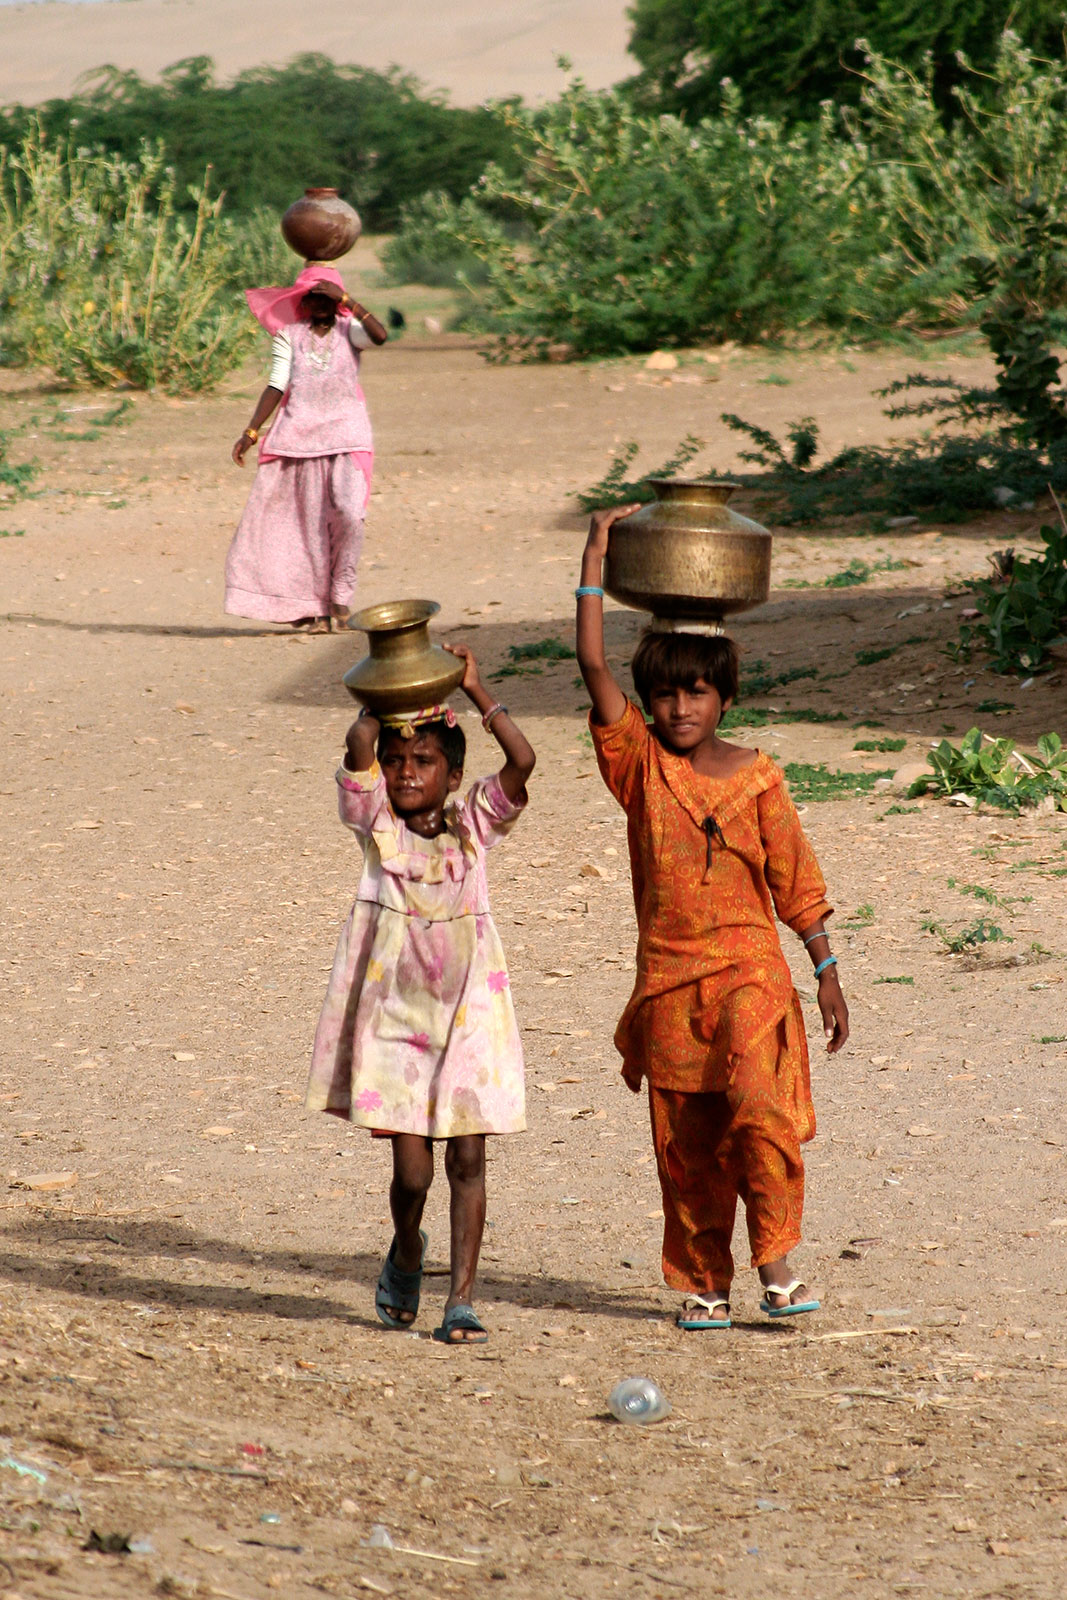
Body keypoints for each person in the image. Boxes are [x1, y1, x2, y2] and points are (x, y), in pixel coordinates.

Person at [576, 505, 849, 1330]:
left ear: (724, 696)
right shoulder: (638, 769)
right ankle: (701, 1281)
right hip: (667, 984)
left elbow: (793, 879)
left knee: (759, 1113)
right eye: (663, 694)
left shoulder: (759, 780)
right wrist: (594, 552)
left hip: (750, 975)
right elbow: (590, 662)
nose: (677, 708)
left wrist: (826, 969)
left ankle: (777, 1266)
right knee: (686, 1141)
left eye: (694, 692)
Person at [305, 644, 535, 1344]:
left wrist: (474, 687)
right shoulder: (376, 829)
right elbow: (357, 749)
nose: (407, 773)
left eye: (425, 761)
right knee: (412, 1174)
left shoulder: (472, 829)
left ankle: (460, 1298)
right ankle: (407, 1247)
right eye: (399, 762)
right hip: (395, 1021)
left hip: (470, 1014)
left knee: (467, 1158)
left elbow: (522, 764)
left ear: (453, 775)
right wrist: (384, 704)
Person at [225, 263, 387, 632]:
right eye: (312, 295)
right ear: (303, 300)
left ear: (337, 301)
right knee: (308, 527)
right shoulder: (289, 336)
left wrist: (349, 301)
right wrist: (250, 432)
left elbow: (380, 336)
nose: (319, 302)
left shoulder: (351, 332)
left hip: (348, 437)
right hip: (299, 438)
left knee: (348, 515)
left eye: (326, 296)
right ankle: (315, 609)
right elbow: (276, 386)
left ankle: (341, 597)